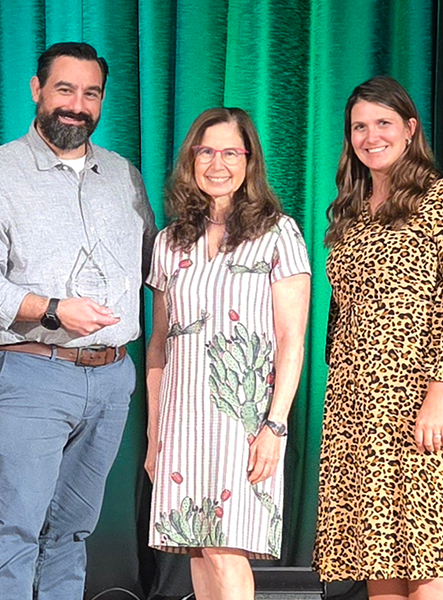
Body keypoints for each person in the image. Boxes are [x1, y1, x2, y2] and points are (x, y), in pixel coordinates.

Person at [0, 42, 156, 600]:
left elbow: (159, 264)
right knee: (14, 530)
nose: (76, 105)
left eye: (90, 94)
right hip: (32, 373)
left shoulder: (124, 177)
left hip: (112, 379)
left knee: (72, 532)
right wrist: (53, 309)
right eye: (64, 89)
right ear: (37, 90)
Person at [312, 76, 443, 600]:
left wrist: (439, 395)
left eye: (383, 123)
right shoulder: (352, 210)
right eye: (359, 126)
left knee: (430, 547)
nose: (370, 136)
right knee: (381, 553)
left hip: (422, 396)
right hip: (360, 406)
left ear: (410, 129)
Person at [144, 107, 311, 600]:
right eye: (207, 151)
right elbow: (158, 344)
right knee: (198, 546)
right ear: (191, 159)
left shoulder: (279, 233)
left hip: (245, 420)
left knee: (226, 548)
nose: (218, 163)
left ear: (249, 160)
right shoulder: (169, 241)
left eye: (231, 152)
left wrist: (275, 425)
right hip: (181, 419)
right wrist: (155, 433)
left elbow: (291, 339)